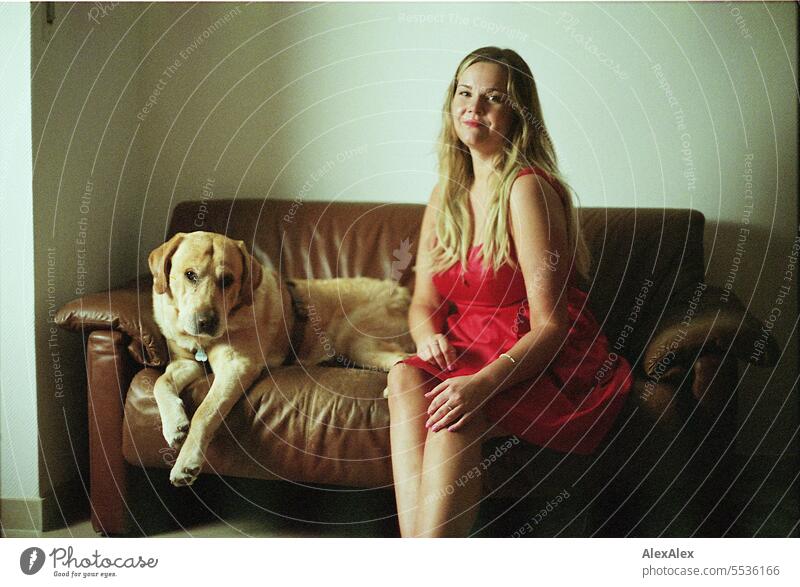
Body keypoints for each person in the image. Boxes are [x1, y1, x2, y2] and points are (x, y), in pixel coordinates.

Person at [386, 46, 633, 538]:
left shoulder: (527, 189)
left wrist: (480, 385)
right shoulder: (445, 193)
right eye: (464, 93)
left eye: (493, 97)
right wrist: (424, 336)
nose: (473, 107)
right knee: (403, 380)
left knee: (454, 413)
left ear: (517, 114)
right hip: (470, 340)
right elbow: (423, 303)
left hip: (537, 349)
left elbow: (552, 325)